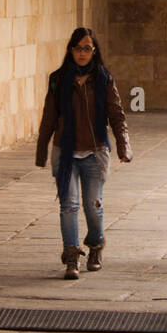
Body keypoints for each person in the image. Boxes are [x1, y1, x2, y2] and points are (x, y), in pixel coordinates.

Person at [35, 26, 132, 279]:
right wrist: (41, 150)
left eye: (87, 48)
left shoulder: (103, 79)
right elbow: (49, 116)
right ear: (70, 50)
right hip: (65, 152)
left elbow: (116, 116)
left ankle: (96, 244)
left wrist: (124, 146)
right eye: (78, 48)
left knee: (93, 206)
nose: (82, 53)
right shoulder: (58, 79)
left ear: (94, 51)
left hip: (95, 152)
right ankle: (71, 256)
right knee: (69, 206)